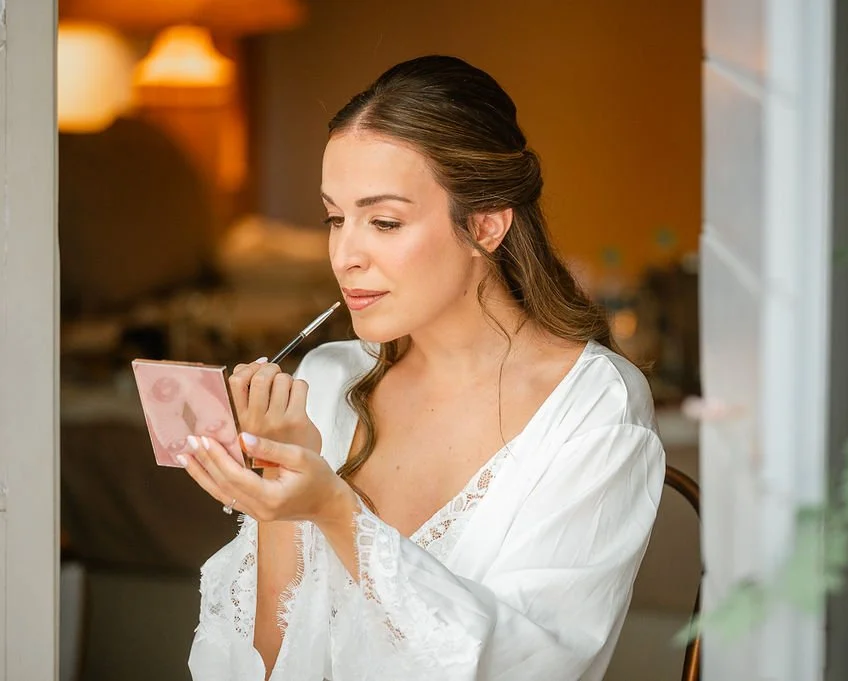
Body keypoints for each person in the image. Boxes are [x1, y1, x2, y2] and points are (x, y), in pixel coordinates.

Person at [180, 55, 665, 681]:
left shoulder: (593, 408)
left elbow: (529, 668)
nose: (345, 255)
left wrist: (333, 510)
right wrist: (279, 508)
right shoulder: (324, 382)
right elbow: (262, 669)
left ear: (485, 224)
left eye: (383, 221)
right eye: (335, 218)